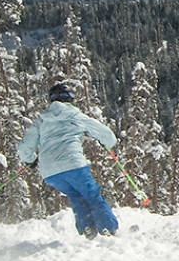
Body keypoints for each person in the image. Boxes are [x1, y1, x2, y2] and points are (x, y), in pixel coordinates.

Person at [17, 82, 120, 238]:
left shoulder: (42, 120)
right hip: (73, 164)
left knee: (76, 196)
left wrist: (30, 160)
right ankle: (107, 229)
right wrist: (107, 143)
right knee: (92, 194)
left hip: (49, 172)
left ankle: (88, 230)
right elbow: (106, 134)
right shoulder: (75, 115)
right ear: (71, 99)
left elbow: (25, 147)